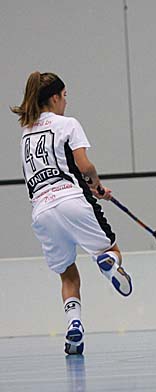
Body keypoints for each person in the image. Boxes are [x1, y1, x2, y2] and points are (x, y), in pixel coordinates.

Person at [12, 72, 133, 355]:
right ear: (55, 97)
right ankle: (108, 263)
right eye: (64, 96)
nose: (66, 102)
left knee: (67, 275)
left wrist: (89, 186)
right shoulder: (68, 124)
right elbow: (84, 165)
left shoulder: (26, 133)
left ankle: (74, 326)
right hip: (71, 200)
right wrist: (96, 184)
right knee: (111, 250)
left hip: (42, 211)